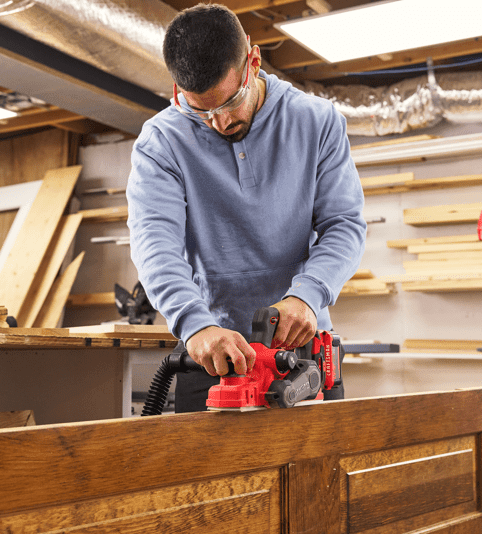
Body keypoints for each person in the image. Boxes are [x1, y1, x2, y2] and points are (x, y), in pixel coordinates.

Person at [126, 3, 366, 412]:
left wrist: (307, 296)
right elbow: (155, 246)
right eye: (201, 110)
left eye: (230, 102)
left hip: (302, 353)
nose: (220, 122)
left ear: (253, 61)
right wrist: (195, 324)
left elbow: (344, 225)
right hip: (212, 353)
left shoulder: (317, 121)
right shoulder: (161, 142)